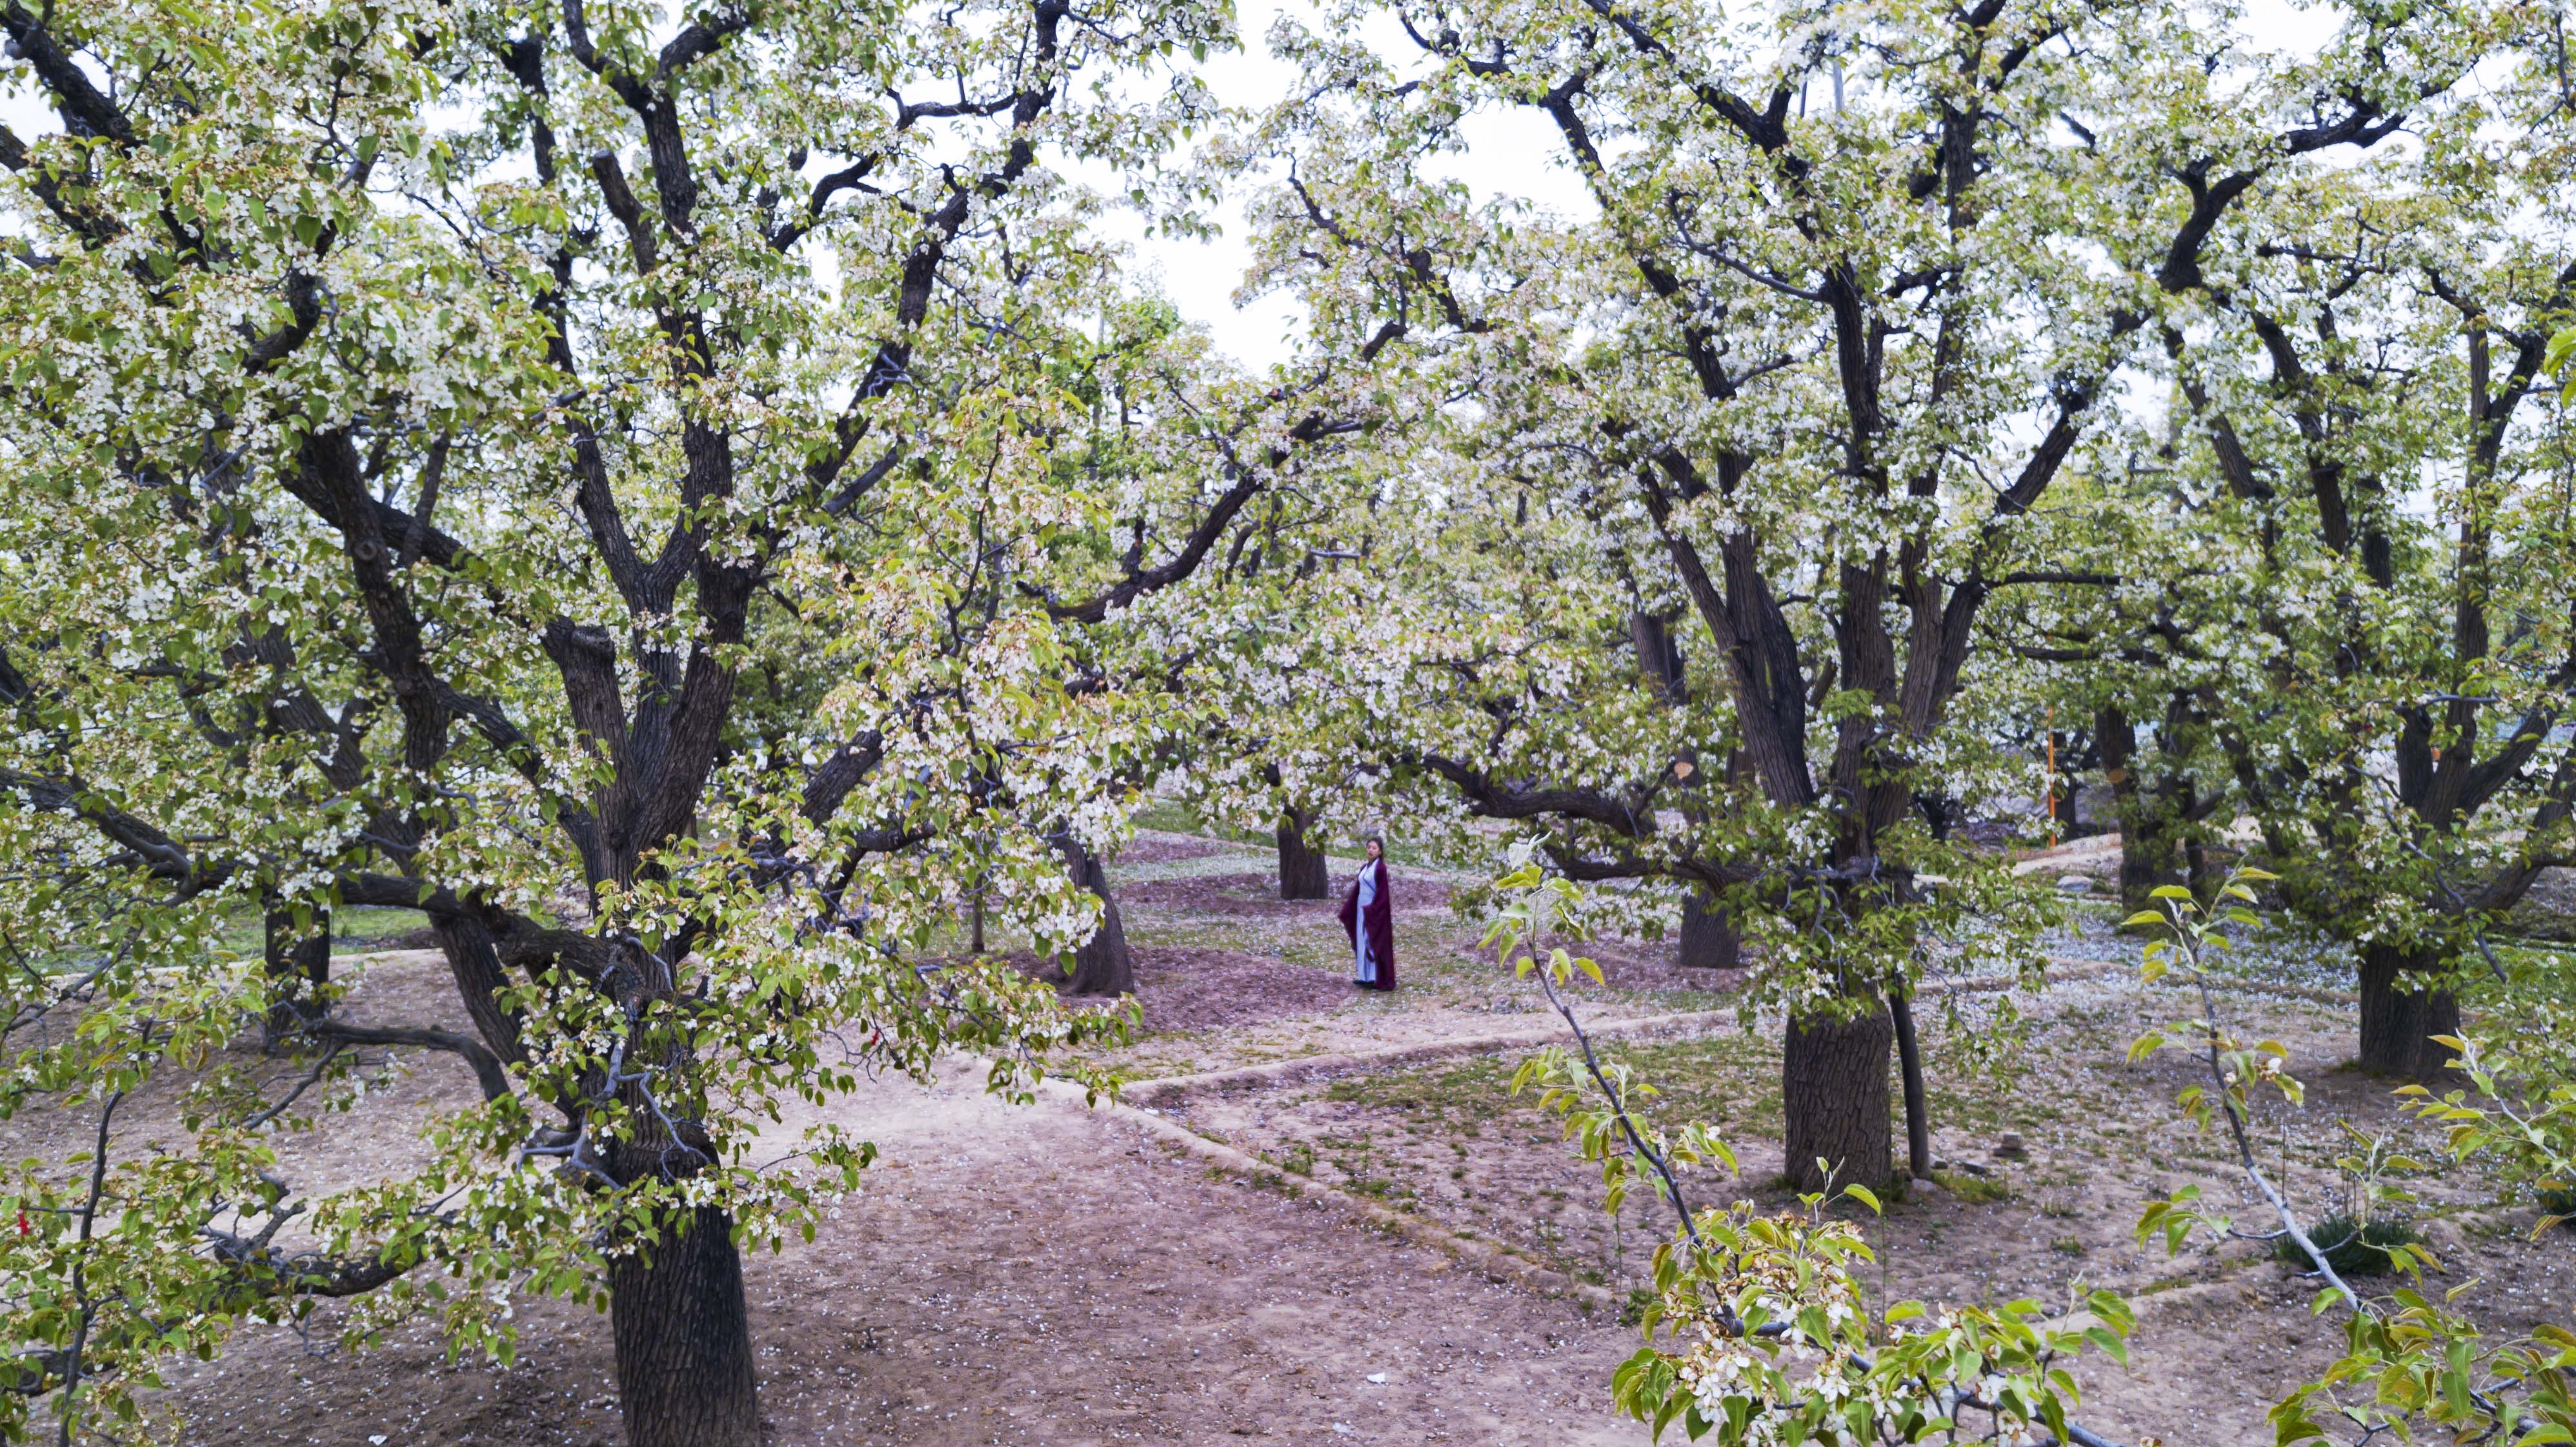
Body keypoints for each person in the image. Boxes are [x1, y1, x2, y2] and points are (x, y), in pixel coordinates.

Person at [1338, 836, 1396, 991]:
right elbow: (1358, 889)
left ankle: (1375, 977)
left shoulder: (1380, 868)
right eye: (1369, 847)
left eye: (1374, 848)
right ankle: (1364, 976)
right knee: (1362, 941)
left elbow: (1383, 893)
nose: (1370, 850)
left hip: (1373, 911)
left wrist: (1373, 909)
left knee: (1371, 941)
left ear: (1380, 851)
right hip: (1361, 910)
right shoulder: (1365, 867)